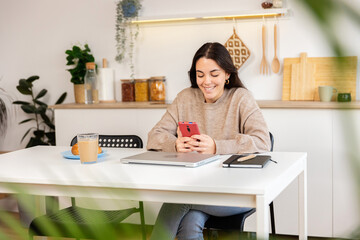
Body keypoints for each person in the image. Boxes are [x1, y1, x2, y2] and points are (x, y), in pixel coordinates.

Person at [147, 42, 271, 240]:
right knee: (190, 222)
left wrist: (217, 146)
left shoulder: (241, 98)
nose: (206, 81)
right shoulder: (185, 98)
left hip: (239, 192)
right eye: (200, 74)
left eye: (214, 74)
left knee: (179, 197)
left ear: (227, 74)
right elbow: (154, 136)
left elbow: (263, 141)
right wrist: (175, 144)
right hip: (198, 187)